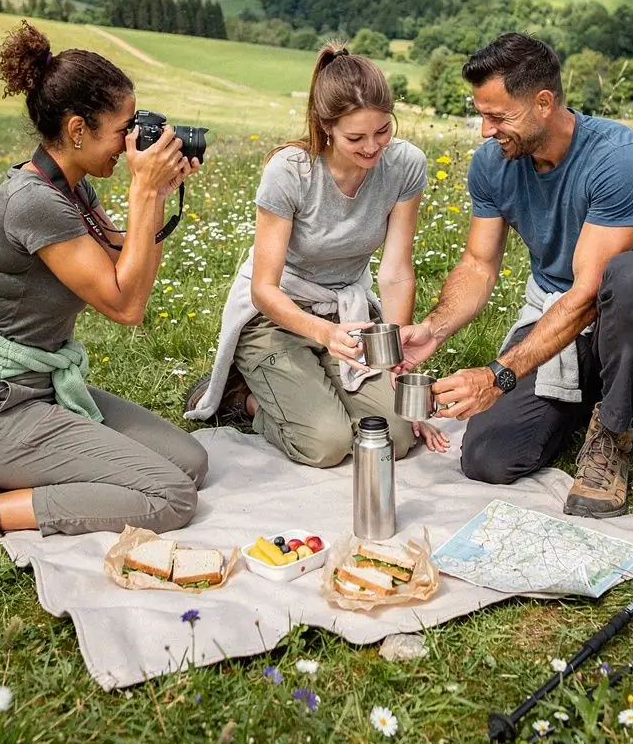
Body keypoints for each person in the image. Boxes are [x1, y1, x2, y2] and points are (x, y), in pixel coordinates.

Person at [399, 32, 633, 518]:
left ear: (543, 103)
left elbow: (590, 293)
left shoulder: (618, 158)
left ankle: (613, 430)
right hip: (562, 321)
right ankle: (581, 404)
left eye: (498, 116)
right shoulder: (492, 164)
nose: (485, 130)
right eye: (481, 114)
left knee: (630, 277)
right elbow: (478, 264)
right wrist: (433, 330)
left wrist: (499, 375)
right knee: (488, 458)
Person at [0, 22, 208, 552]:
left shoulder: (72, 188)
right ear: (78, 129)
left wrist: (159, 192)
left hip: (40, 389)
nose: (130, 144)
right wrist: (142, 193)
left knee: (190, 463)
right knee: (170, 497)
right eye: (123, 129)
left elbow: (128, 261)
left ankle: (6, 475)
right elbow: (125, 306)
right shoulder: (33, 201)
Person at [185, 44, 445, 466]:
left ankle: (313, 387)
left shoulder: (404, 166)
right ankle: (244, 399)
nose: (372, 148)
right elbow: (263, 290)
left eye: (382, 131)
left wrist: (393, 356)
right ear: (326, 127)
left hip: (347, 314)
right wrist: (324, 336)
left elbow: (396, 270)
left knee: (394, 437)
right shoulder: (290, 172)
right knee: (327, 444)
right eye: (355, 138)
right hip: (276, 317)